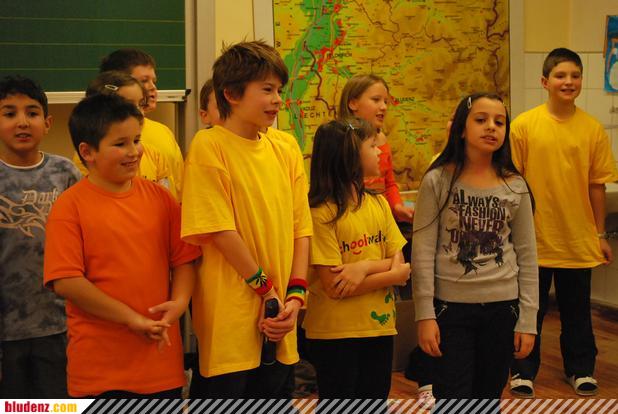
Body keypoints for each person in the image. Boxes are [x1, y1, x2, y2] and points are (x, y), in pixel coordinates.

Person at [43, 94, 201, 398]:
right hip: (100, 372)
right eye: (120, 144)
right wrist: (131, 319)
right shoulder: (70, 206)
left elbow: (184, 260)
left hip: (161, 367)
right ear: (87, 152)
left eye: (136, 140)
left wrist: (179, 303)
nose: (134, 152)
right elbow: (66, 280)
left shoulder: (161, 199)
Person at [181, 40, 313, 398]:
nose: (277, 100)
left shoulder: (285, 147)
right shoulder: (209, 146)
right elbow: (219, 230)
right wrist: (266, 289)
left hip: (280, 314)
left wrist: (295, 297)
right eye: (267, 90)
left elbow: (301, 228)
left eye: (279, 90)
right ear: (232, 94)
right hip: (232, 317)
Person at [412, 93, 538, 402]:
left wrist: (528, 320)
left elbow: (528, 255)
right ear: (461, 128)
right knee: (452, 397)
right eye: (481, 120)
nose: (491, 127)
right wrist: (424, 315)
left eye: (499, 122)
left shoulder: (515, 184)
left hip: (503, 308)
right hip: (450, 309)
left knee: (488, 397)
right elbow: (422, 252)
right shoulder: (437, 180)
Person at [509, 48, 618, 398]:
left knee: (577, 311)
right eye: (560, 76)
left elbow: (597, 185)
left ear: (581, 81)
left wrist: (599, 234)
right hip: (532, 238)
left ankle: (581, 369)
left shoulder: (592, 129)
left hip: (577, 237)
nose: (568, 82)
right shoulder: (524, 126)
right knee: (529, 310)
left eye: (575, 75)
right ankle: (522, 371)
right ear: (545, 82)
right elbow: (511, 184)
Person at [303, 117, 410, 401]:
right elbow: (334, 286)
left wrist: (364, 267)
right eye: (372, 146)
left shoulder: (378, 203)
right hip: (335, 333)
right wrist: (392, 275)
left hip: (380, 328)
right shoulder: (320, 212)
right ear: (350, 154)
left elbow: (399, 261)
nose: (379, 152)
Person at [0, 76, 81, 398]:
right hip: (6, 333)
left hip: (59, 326)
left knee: (59, 404)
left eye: (32, 113)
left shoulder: (65, 173)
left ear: (47, 123)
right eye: (9, 113)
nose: (22, 122)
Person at [71, 70, 176, 197]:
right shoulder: (90, 157)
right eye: (127, 106)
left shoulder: (154, 155)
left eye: (141, 104)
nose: (138, 112)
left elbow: (165, 198)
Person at [99, 48, 184, 198]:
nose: (152, 87)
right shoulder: (98, 139)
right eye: (144, 81)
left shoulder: (163, 132)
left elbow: (179, 189)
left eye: (154, 81)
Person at [339, 74, 414, 223]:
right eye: (376, 100)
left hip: (383, 219)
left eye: (385, 101)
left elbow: (389, 183)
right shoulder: (341, 142)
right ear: (353, 103)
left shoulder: (381, 139)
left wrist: (398, 207)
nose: (384, 107)